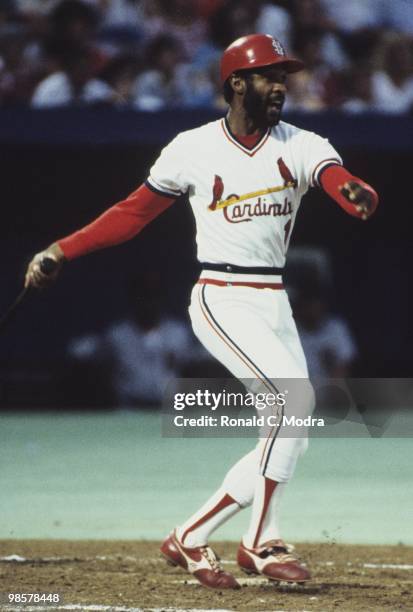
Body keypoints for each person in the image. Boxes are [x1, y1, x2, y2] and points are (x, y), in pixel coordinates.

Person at [25, 34, 378, 590]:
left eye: (284, 75)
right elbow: (133, 213)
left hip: (273, 300)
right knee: (295, 402)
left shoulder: (303, 142)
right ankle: (260, 542)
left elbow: (335, 178)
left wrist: (353, 190)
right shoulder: (192, 146)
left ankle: (191, 533)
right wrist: (61, 248)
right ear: (237, 83)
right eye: (269, 75)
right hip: (222, 293)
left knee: (291, 429)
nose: (281, 85)